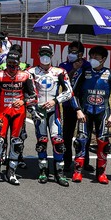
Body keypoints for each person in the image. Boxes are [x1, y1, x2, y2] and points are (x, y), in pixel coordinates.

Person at [73, 46, 111, 185]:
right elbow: (73, 93)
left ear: (104, 59)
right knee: (81, 140)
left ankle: (101, 173)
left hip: (103, 112)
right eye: (92, 57)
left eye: (97, 57)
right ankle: (78, 170)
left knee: (103, 142)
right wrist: (78, 109)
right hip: (85, 111)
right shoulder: (83, 71)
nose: (93, 59)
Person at [0, 51, 36, 185]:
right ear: (5, 64)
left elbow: (33, 96)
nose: (12, 67)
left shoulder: (26, 76)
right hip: (2, 112)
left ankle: (11, 173)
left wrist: (24, 102)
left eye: (14, 64)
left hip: (19, 113)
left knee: (16, 143)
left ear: (19, 64)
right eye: (9, 64)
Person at [27, 45, 75, 186]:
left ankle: (59, 172)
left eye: (47, 54)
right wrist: (32, 107)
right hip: (39, 111)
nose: (45, 56)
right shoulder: (31, 72)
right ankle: (43, 170)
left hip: (55, 111)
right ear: (38, 54)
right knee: (42, 142)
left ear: (52, 55)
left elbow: (69, 92)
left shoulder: (60, 72)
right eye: (42, 53)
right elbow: (26, 92)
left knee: (58, 142)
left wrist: (55, 101)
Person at [59, 41, 92, 175]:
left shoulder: (87, 65)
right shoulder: (63, 65)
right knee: (67, 134)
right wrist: (74, 69)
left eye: (75, 51)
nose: (72, 54)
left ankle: (85, 160)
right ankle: (67, 161)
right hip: (69, 104)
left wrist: (81, 68)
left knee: (85, 134)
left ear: (80, 53)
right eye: (70, 51)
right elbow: (63, 81)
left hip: (84, 104)